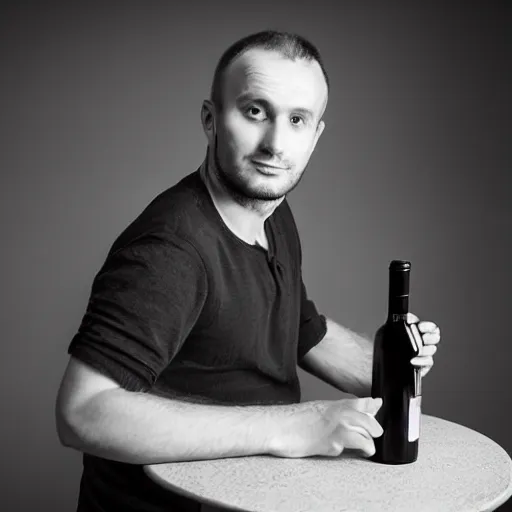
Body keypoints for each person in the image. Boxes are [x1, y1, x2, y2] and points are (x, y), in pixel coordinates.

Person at [55, 30, 441, 512]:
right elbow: (82, 412)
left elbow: (302, 330)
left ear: (316, 134)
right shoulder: (171, 249)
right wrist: (296, 426)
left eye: (297, 119)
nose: (275, 144)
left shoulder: (271, 212)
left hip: (254, 497)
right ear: (210, 120)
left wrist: (395, 365)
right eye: (255, 111)